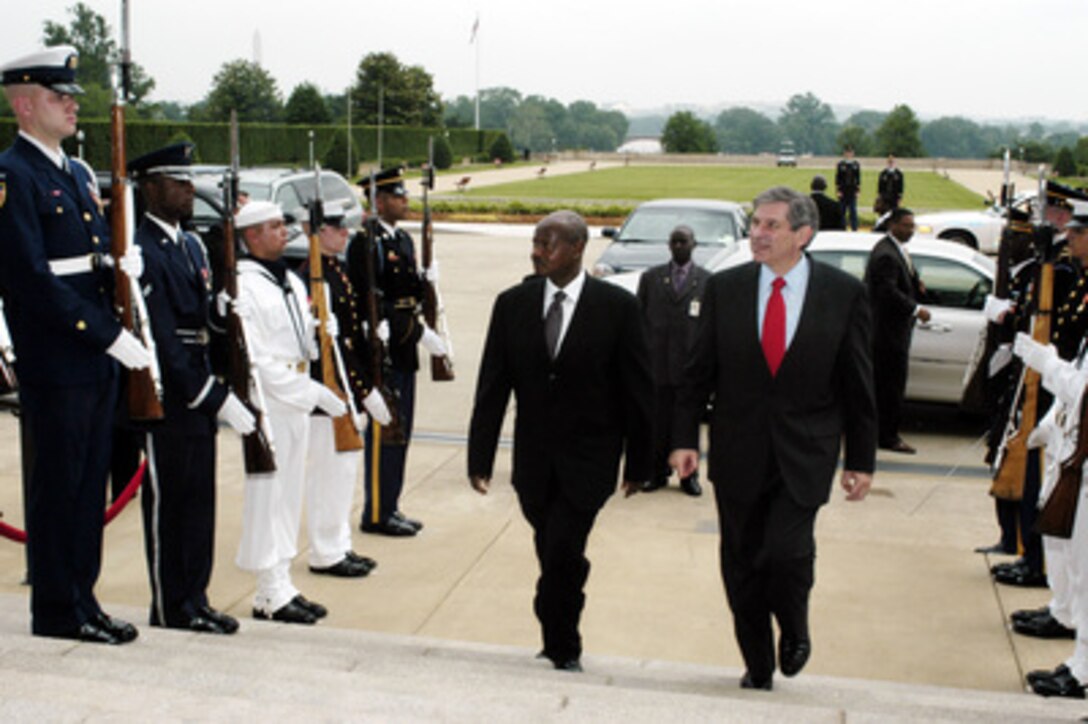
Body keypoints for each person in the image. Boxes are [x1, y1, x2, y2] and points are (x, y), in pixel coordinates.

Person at [670, 186, 876, 691]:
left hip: (806, 450)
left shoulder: (842, 293)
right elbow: (697, 374)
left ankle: (796, 625)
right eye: (755, 224)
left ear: (802, 235)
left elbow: (859, 382)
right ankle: (757, 663)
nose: (757, 234)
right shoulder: (726, 288)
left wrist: (862, 459)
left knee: (785, 551)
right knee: (741, 561)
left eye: (771, 226)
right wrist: (683, 440)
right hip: (739, 449)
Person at [0, 46, 150, 644]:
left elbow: (85, 260)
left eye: (71, 98)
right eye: (59, 97)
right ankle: (58, 610)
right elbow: (29, 280)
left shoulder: (70, 172)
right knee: (61, 486)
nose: (71, 107)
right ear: (24, 103)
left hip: (91, 358)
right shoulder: (13, 175)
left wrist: (120, 267)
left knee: (89, 485)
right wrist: (108, 334)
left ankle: (83, 600)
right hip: (59, 356)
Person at [468, 210, 653, 672]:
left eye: (547, 244)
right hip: (533, 463)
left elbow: (640, 392)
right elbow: (492, 385)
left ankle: (563, 643)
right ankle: (557, 611)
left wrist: (639, 463)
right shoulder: (511, 304)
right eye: (535, 242)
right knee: (554, 549)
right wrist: (480, 457)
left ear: (576, 249)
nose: (537, 252)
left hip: (590, 461)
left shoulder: (617, 308)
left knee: (564, 549)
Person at [129, 142, 254, 634]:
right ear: (149, 188)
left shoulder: (191, 245)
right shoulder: (142, 250)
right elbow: (159, 338)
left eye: (188, 182)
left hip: (198, 390)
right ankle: (170, 605)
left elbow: (201, 325)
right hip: (170, 397)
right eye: (177, 183)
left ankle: (196, 597)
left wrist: (222, 317)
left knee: (199, 503)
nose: (188, 191)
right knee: (170, 505)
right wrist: (215, 398)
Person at [233, 200, 347, 624]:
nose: (285, 232)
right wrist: (312, 392)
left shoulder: (290, 282)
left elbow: (302, 340)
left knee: (289, 495)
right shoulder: (245, 285)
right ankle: (269, 589)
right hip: (272, 401)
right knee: (270, 499)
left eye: (284, 225)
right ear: (252, 235)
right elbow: (257, 361)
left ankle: (280, 584)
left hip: (295, 399)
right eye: (274, 226)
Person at [347, 167, 445, 537]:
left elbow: (409, 294)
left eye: (405, 195)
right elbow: (368, 299)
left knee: (400, 430)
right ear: (379, 201)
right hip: (382, 348)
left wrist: (427, 284)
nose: (405, 202)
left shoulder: (402, 240)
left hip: (403, 346)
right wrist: (417, 330)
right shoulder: (365, 243)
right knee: (382, 432)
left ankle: (390, 505)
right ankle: (375, 512)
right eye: (398, 196)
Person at [299, 201, 391, 578]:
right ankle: (324, 552)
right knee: (328, 476)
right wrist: (360, 389)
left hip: (347, 386)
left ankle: (339, 544)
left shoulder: (337, 271)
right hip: (330, 392)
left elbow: (350, 338)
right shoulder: (310, 277)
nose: (345, 234)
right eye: (337, 228)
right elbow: (322, 348)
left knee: (344, 473)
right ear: (318, 231)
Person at [1012, 326, 1088, 698]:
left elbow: (1084, 391)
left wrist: (1048, 365)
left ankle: (1085, 670)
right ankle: (1081, 661)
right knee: (1075, 561)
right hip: (1075, 455)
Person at [636, 224, 708, 496]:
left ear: (694, 244)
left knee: (687, 424)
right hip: (657, 365)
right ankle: (656, 472)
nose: (679, 247)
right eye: (675, 242)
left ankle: (688, 476)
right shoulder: (652, 278)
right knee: (657, 423)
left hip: (689, 369)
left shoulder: (706, 281)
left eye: (684, 242)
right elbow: (639, 319)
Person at [863, 207, 930, 454]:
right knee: (889, 387)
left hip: (893, 333)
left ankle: (884, 432)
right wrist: (916, 309)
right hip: (886, 335)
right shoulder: (886, 255)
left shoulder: (895, 250)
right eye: (906, 226)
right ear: (893, 225)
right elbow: (887, 292)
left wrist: (915, 284)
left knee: (888, 386)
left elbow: (899, 281)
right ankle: (887, 436)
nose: (910, 231)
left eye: (912, 226)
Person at [835, 146, 862, 232]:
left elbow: (858, 179)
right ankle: (842, 228)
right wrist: (838, 190)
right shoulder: (841, 165)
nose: (849, 154)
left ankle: (854, 228)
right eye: (847, 153)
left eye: (850, 153)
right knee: (842, 211)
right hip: (843, 191)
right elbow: (838, 179)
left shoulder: (856, 165)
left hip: (852, 191)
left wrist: (858, 191)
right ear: (844, 154)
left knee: (853, 211)